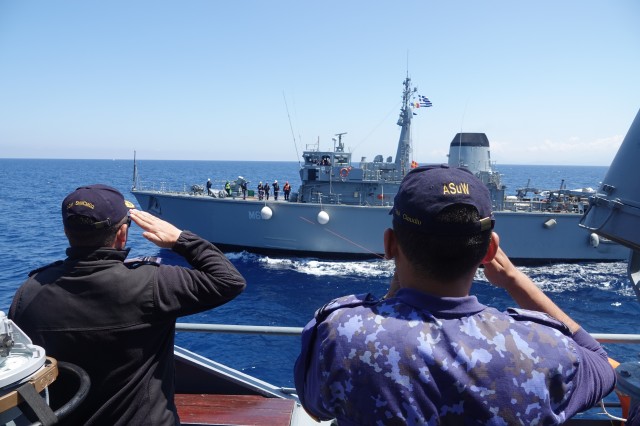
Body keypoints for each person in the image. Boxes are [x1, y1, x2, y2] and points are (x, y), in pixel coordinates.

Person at [294, 165, 616, 425]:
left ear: (390, 244)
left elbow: (314, 408)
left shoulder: (340, 335)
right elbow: (601, 363)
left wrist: (392, 296)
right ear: (490, 250)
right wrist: (515, 280)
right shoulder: (546, 348)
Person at [9, 184, 246, 425]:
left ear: (66, 231)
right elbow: (229, 280)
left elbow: (25, 373)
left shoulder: (28, 294)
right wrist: (180, 239)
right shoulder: (150, 285)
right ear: (122, 233)